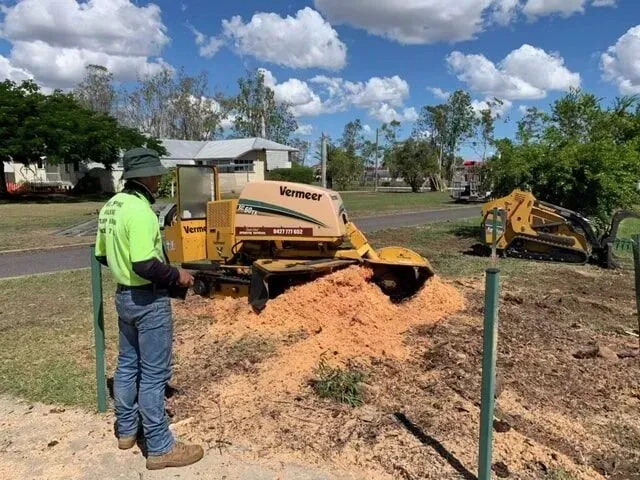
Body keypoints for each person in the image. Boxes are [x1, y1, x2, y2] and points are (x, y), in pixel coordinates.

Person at [95, 148, 204, 470]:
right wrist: (178, 276)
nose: (159, 179)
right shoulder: (140, 212)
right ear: (143, 177)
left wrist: (121, 268)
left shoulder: (111, 207)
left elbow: (103, 255)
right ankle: (159, 447)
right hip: (147, 300)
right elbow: (144, 263)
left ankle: (126, 430)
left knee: (128, 365)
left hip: (124, 297)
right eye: (155, 174)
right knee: (154, 375)